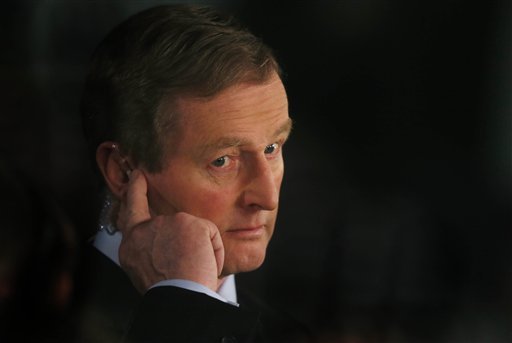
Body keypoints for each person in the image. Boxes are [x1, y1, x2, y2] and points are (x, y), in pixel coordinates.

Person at [76, 4, 310, 343]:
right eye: (222, 161)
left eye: (273, 148)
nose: (267, 197)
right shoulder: (44, 318)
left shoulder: (286, 335)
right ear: (123, 173)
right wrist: (182, 300)